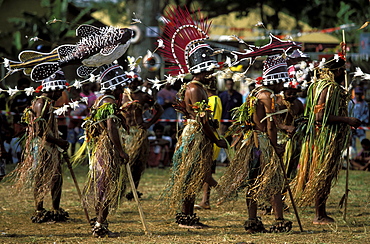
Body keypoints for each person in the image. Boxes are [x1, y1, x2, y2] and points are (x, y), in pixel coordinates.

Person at [159, 7, 227, 229]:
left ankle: (188, 216)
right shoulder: (195, 89)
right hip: (195, 135)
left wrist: (212, 126)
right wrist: (216, 138)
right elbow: (201, 120)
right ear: (204, 70)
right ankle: (186, 217)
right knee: (191, 175)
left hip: (197, 134)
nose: (212, 74)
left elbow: (201, 117)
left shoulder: (196, 87)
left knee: (194, 175)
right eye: (210, 70)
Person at [217, 55, 292, 233]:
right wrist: (275, 148)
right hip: (263, 143)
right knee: (273, 181)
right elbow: (271, 125)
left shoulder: (255, 92)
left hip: (251, 142)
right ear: (276, 79)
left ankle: (252, 220)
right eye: (282, 82)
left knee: (253, 181)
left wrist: (283, 126)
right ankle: (279, 220)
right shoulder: (268, 95)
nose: (283, 86)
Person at [291, 55, 361, 225]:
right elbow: (319, 116)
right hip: (324, 138)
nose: (344, 72)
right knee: (322, 174)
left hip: (322, 137)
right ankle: (319, 215)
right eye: (342, 69)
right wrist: (347, 120)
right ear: (336, 71)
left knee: (323, 174)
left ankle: (321, 213)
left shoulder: (319, 85)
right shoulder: (328, 88)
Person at [10, 70, 70, 223]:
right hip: (42, 146)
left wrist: (58, 141)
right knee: (41, 177)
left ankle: (56, 209)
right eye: (59, 90)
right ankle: (39, 209)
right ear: (52, 88)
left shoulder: (47, 103)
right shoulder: (41, 103)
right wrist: (59, 142)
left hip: (51, 145)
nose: (60, 94)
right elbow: (38, 131)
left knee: (56, 177)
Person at [78, 63, 130, 237]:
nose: (123, 89)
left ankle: (100, 222)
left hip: (99, 150)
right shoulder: (109, 102)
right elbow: (110, 127)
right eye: (121, 86)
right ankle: (100, 225)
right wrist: (120, 151)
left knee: (102, 187)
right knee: (108, 188)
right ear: (115, 86)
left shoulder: (100, 101)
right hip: (107, 151)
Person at [120, 73, 163, 199]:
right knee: (123, 162)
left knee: (138, 163)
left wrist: (149, 124)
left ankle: (134, 190)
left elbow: (159, 110)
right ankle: (120, 188)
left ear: (139, 82)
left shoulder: (143, 96)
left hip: (138, 133)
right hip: (124, 133)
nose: (132, 84)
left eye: (134, 82)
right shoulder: (121, 96)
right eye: (130, 82)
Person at [195, 80, 222, 210]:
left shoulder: (214, 100)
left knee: (204, 172)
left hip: (210, 138)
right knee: (207, 171)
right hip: (208, 138)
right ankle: (205, 200)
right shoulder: (211, 100)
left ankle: (222, 190)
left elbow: (212, 122)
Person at [348, 86, 369, 153]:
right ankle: (353, 158)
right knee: (352, 144)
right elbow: (348, 113)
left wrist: (360, 120)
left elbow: (367, 115)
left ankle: (364, 157)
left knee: (364, 143)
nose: (358, 95)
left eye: (359, 94)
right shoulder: (351, 103)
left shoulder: (365, 104)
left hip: (361, 127)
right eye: (357, 93)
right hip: (352, 127)